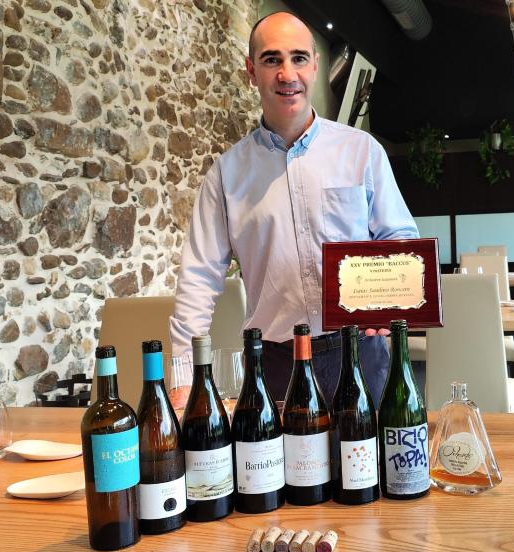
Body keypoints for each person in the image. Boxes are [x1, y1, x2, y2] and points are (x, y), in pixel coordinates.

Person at [168, 11, 418, 405]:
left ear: (315, 66)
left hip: (360, 352)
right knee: (279, 469)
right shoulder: (227, 173)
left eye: (299, 58)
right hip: (274, 363)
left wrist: (389, 303)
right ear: (251, 71)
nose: (287, 73)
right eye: (272, 60)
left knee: (369, 467)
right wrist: (183, 377)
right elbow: (198, 277)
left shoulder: (362, 152)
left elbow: (399, 240)